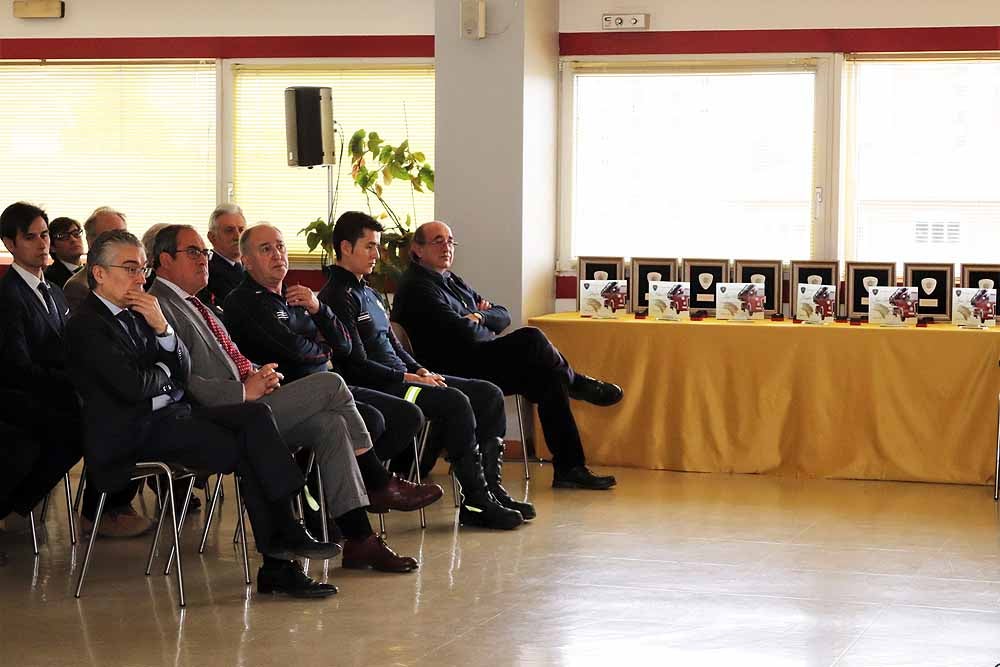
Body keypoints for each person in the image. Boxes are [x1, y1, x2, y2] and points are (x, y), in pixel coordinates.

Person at [66, 229, 340, 597]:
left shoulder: (140, 312)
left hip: (167, 418)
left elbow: (182, 370)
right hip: (130, 434)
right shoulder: (87, 324)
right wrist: (165, 377)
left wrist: (163, 329)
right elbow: (133, 386)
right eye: (130, 268)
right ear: (98, 273)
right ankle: (282, 552)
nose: (139, 278)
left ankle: (284, 544)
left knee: (255, 419)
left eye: (142, 269)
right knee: (249, 446)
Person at [147, 224, 438, 572]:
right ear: (165, 260)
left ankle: (360, 540)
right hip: (221, 413)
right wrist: (243, 389)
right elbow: (181, 377)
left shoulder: (198, 303)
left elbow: (331, 347)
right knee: (332, 384)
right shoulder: (159, 306)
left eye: (204, 253)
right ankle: (376, 480)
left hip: (258, 396)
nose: (204, 260)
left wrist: (259, 373)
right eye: (193, 252)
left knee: (330, 424)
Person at [318, 212, 531, 530]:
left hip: (405, 377)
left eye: (377, 247)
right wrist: (408, 377)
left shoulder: (371, 293)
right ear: (346, 248)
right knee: (455, 402)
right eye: (370, 247)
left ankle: (490, 489)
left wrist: (419, 368)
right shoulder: (337, 296)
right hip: (381, 386)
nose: (377, 254)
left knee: (487, 393)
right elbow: (355, 366)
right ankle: (474, 500)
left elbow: (393, 344)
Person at [392, 220, 623, 490]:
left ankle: (570, 468)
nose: (447, 247)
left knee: (549, 377)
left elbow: (502, 314)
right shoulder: (417, 286)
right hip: (450, 368)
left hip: (476, 358)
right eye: (438, 241)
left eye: (451, 241)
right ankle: (577, 383)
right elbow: (460, 332)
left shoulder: (451, 280)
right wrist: (479, 321)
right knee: (531, 338)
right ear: (417, 250)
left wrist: (479, 315)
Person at [0, 202, 148, 537]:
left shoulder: (52, 290)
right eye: (30, 238)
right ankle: (91, 510)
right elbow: (16, 366)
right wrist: (73, 384)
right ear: (10, 244)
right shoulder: (8, 295)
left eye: (44, 236)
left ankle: (105, 508)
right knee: (94, 421)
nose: (41, 244)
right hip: (22, 397)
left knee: (114, 408)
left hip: (59, 390)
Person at [222, 223, 424, 464]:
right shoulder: (244, 301)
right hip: (291, 395)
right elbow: (295, 350)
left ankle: (361, 488)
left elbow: (344, 345)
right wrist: (325, 349)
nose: (277, 254)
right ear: (247, 261)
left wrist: (318, 309)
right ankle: (340, 490)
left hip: (332, 386)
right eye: (266, 249)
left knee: (408, 415)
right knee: (373, 420)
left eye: (280, 246)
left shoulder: (296, 296)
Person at [63, 206, 127, 312]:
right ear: (90, 241)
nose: (122, 241)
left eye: (124, 235)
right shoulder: (78, 287)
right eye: (112, 236)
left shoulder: (134, 278)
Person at [198, 203, 246, 307]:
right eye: (229, 230)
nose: (238, 236)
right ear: (212, 237)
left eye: (241, 230)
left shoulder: (254, 266)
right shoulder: (205, 271)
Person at [44, 216, 85, 288]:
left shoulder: (92, 271)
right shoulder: (49, 278)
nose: (73, 240)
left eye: (76, 234)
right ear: (52, 247)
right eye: (64, 236)